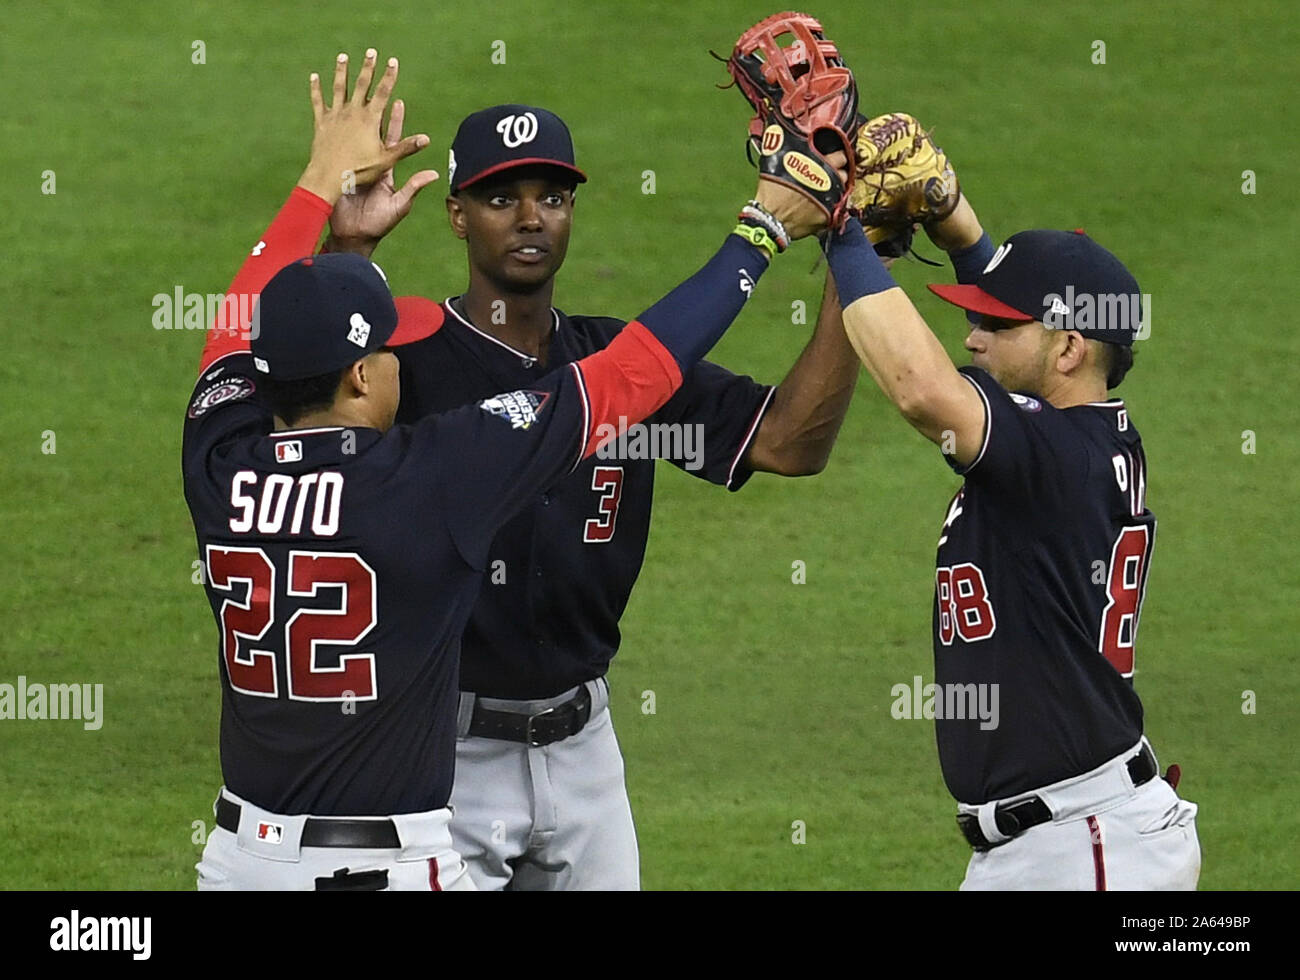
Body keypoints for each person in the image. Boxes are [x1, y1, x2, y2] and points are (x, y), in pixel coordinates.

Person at [184, 49, 829, 890]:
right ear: (357, 377)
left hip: (240, 854)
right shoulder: (430, 475)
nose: (396, 357)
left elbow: (235, 330)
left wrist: (319, 193)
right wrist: (763, 229)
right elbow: (632, 373)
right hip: (380, 860)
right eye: (383, 350)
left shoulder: (217, 457)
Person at [324, 102, 864, 889]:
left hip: (585, 751)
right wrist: (348, 251)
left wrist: (856, 260)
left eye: (553, 194)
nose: (531, 217)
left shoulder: (621, 358)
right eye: (501, 198)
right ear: (456, 215)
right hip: (442, 754)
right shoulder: (402, 366)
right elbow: (305, 402)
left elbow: (790, 442)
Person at [820, 167, 1201, 889]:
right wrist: (950, 213)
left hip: (1084, 846)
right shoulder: (1085, 438)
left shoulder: (1053, 458)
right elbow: (1009, 337)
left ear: (1069, 350)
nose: (971, 337)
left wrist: (838, 222)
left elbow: (921, 389)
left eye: (994, 324)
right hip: (1067, 837)